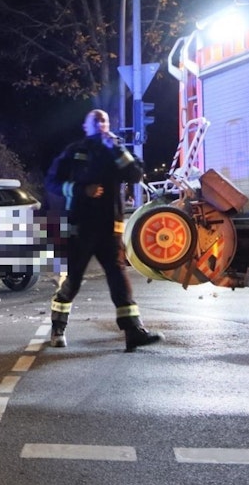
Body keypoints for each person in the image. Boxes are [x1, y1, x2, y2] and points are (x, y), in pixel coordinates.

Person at [45, 108, 163, 352]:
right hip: (80, 226)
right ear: (86, 126)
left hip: (110, 227)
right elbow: (52, 182)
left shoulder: (115, 150)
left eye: (105, 120)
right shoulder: (75, 151)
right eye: (96, 119)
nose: (101, 123)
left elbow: (135, 174)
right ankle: (58, 327)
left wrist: (117, 148)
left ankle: (133, 332)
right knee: (74, 279)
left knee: (118, 278)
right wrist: (81, 190)